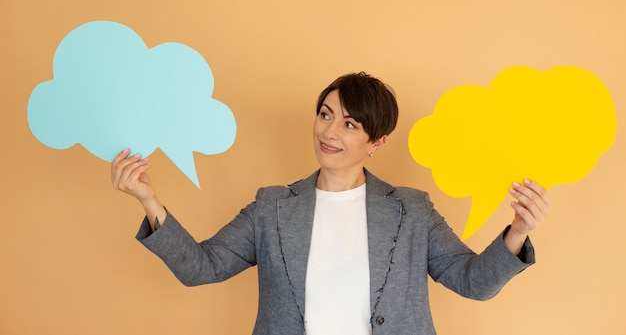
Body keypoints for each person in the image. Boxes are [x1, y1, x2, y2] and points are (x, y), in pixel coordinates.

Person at [111, 72, 550, 335]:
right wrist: (149, 200)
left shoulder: (413, 211)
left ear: (376, 142)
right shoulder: (272, 207)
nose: (329, 132)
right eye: (325, 114)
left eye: (349, 123)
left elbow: (472, 281)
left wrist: (518, 230)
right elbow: (201, 268)